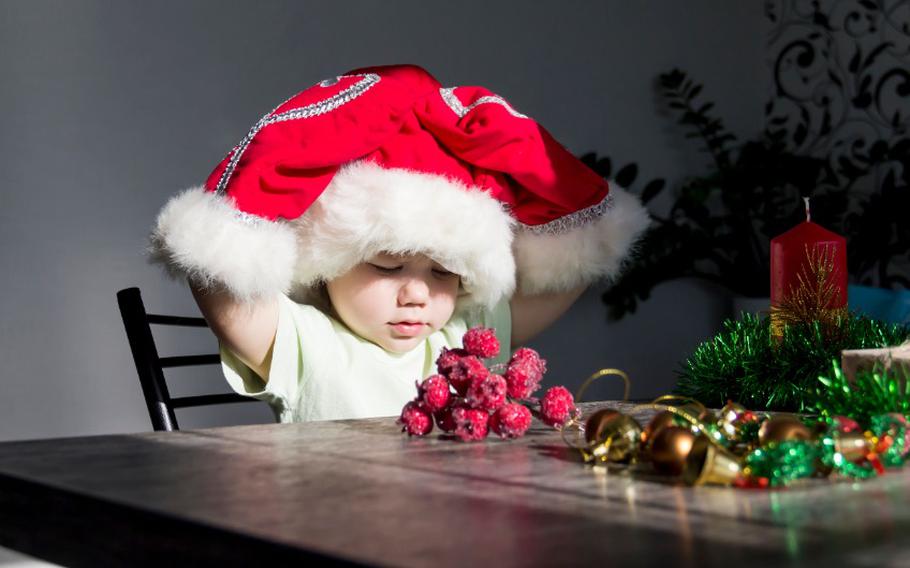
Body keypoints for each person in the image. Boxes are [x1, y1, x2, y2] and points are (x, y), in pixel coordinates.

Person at [149, 64, 649, 423]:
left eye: (443, 272)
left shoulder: (461, 339)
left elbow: (581, 256)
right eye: (388, 266)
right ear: (329, 263)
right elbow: (215, 266)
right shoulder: (306, 344)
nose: (417, 294)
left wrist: (516, 147)